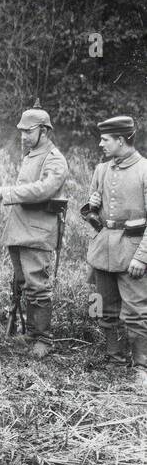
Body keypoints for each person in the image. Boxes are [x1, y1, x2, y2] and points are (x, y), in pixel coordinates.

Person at [0, 107, 68, 359]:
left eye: (28, 131)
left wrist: (6, 192)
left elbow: (43, 190)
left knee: (38, 286)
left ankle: (43, 338)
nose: (22, 136)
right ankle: (32, 334)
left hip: (37, 234)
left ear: (43, 131)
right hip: (20, 231)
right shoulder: (31, 155)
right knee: (24, 284)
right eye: (20, 131)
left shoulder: (54, 158)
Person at [80, 115, 147, 387]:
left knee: (136, 311)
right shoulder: (101, 170)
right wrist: (91, 206)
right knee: (106, 309)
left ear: (121, 140)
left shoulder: (144, 170)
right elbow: (92, 219)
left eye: (105, 139)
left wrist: (142, 256)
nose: (100, 144)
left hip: (132, 254)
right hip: (103, 251)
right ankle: (114, 359)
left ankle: (141, 366)